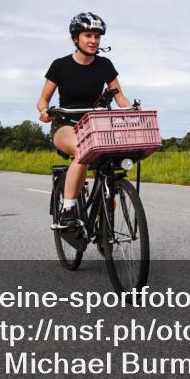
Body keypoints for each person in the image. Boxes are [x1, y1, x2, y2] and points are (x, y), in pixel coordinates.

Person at [37, 12, 131, 228]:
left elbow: (119, 96)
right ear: (75, 39)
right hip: (65, 124)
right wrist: (44, 110)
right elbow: (43, 98)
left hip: (94, 125)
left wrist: (131, 109)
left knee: (108, 168)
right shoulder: (60, 66)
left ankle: (104, 226)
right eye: (88, 35)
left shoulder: (105, 65)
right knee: (82, 149)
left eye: (97, 36)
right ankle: (68, 209)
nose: (93, 41)